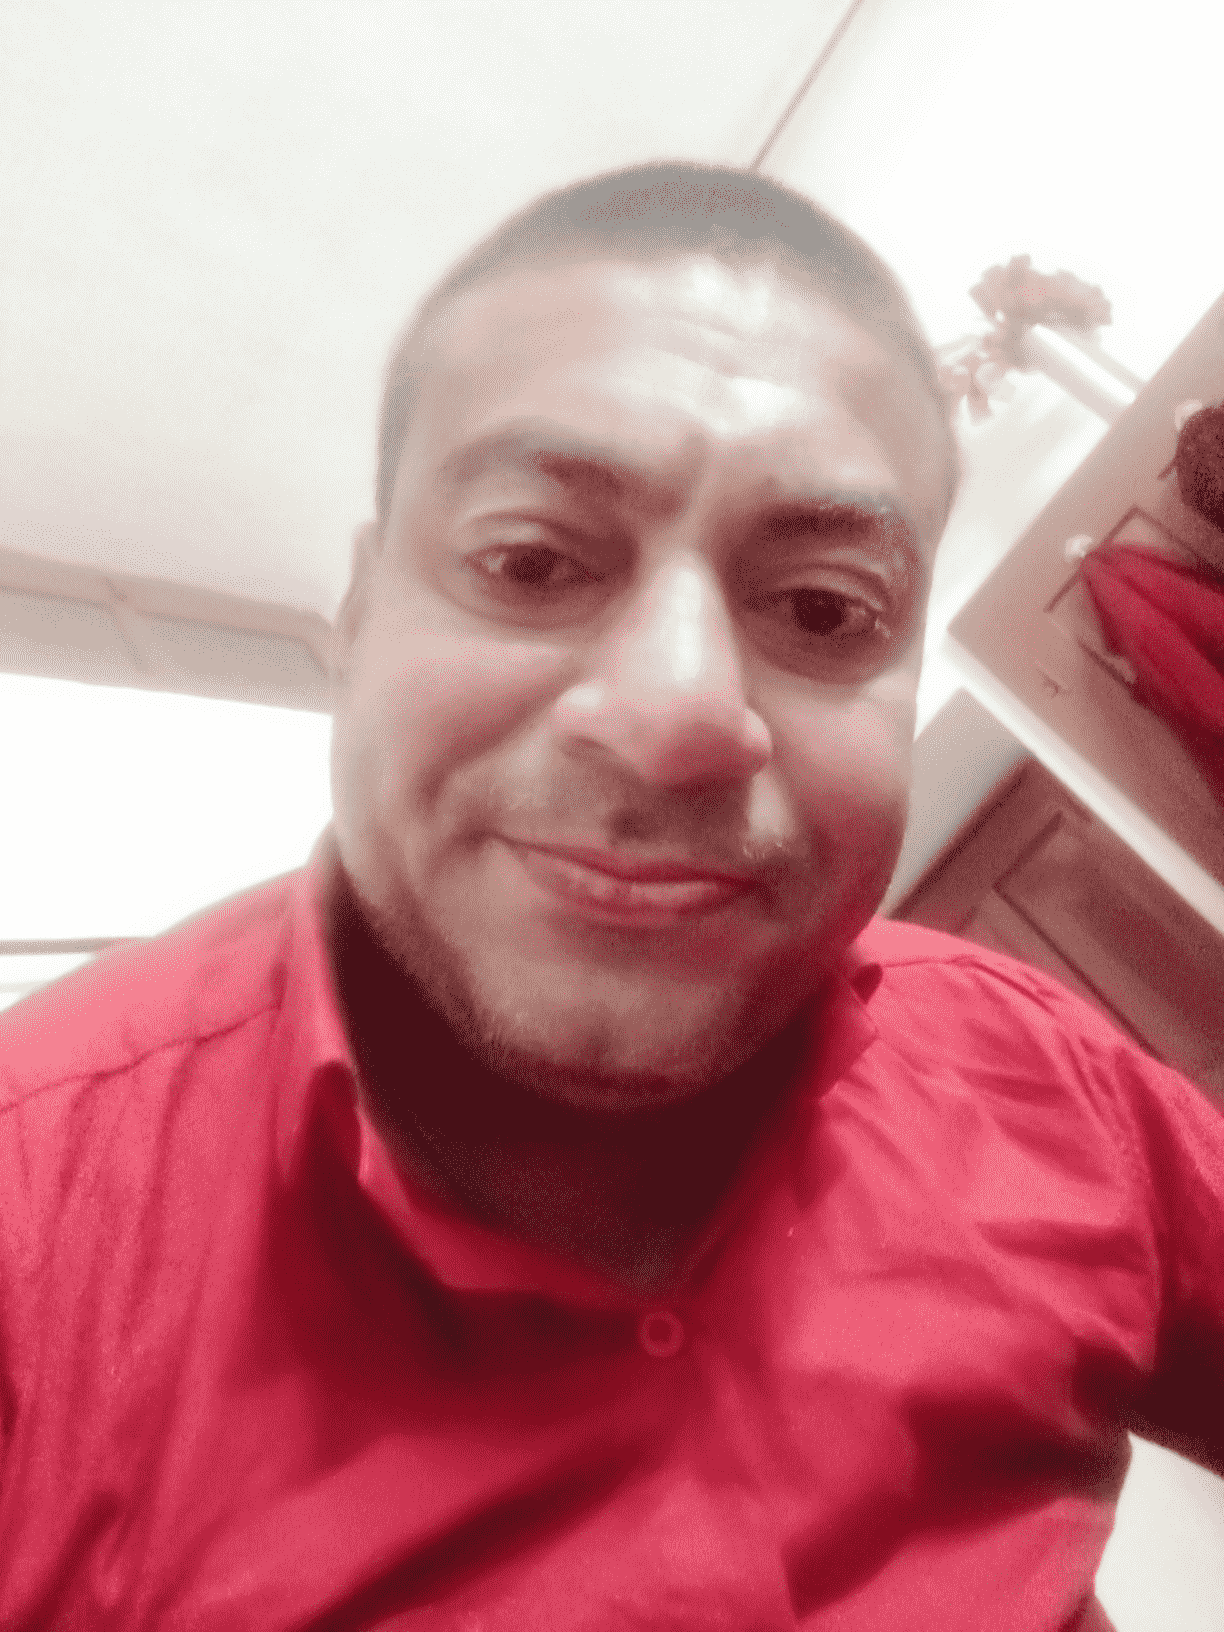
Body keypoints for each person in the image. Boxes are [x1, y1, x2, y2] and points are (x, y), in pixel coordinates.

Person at [0, 161, 1220, 1632]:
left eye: (824, 607)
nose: (677, 715)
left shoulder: (1031, 1071)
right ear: (360, 613)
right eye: (531, 563)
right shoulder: (35, 1242)